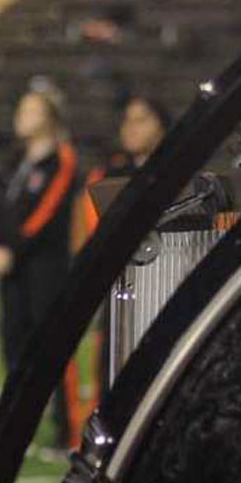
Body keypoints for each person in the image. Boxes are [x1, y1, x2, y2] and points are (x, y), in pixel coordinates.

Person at [0, 78, 80, 455]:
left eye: (30, 111)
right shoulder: (16, 162)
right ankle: (18, 431)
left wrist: (12, 248)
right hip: (12, 272)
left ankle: (67, 434)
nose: (20, 118)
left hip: (45, 270)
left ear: (50, 118)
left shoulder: (62, 159)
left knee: (50, 352)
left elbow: (46, 212)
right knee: (14, 350)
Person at [81, 95, 170, 403]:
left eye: (141, 119)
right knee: (110, 368)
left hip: (166, 282)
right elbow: (96, 232)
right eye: (127, 120)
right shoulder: (107, 175)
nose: (131, 128)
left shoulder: (179, 174)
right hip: (119, 287)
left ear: (161, 125)